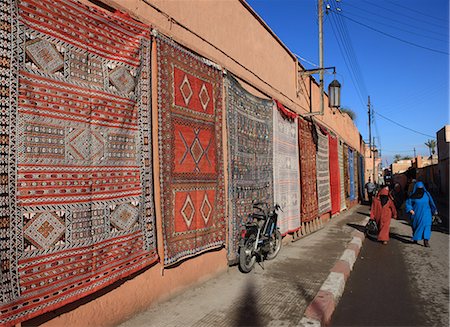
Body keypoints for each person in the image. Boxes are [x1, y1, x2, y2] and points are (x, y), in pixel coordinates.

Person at [405, 181, 438, 247]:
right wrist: (410, 210)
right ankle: (415, 238)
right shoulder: (413, 195)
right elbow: (408, 203)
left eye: (421, 188)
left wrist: (434, 210)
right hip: (416, 214)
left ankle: (426, 241)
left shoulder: (427, 194)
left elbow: (431, 202)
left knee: (427, 226)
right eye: (418, 188)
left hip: (427, 214)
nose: (420, 189)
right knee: (416, 227)